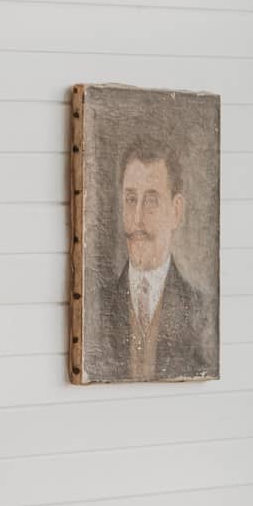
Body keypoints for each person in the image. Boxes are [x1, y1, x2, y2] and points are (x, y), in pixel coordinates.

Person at [92, 138, 216, 381]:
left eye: (151, 201)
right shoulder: (97, 307)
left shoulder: (203, 313)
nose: (136, 220)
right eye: (130, 200)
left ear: (176, 211)